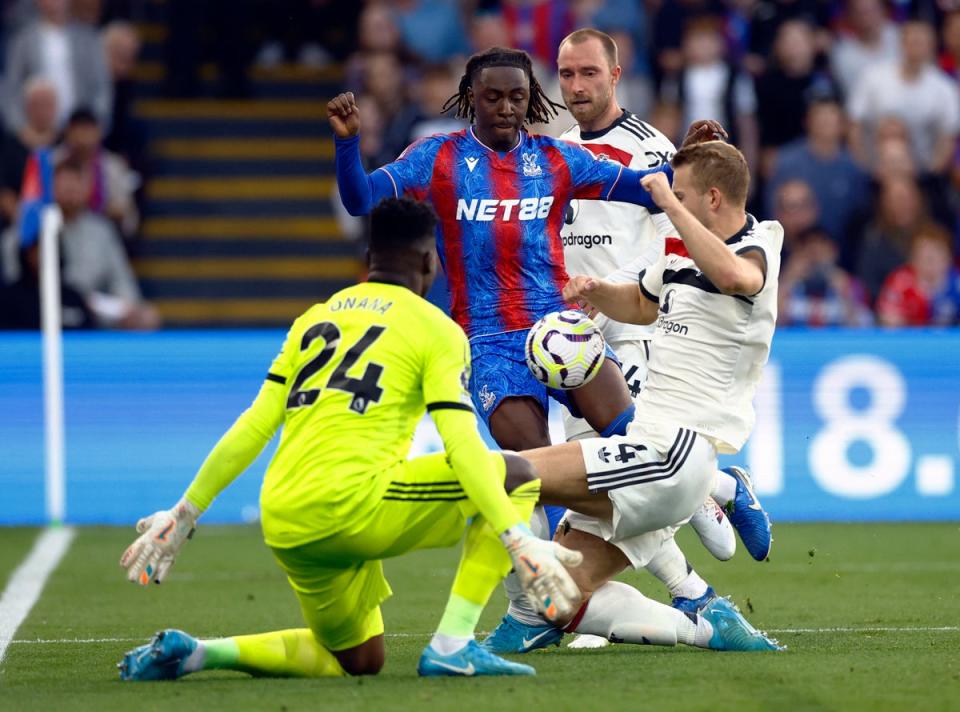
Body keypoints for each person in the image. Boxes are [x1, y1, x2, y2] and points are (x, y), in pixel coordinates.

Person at [117, 198, 583, 681]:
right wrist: (515, 535)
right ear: (430, 261)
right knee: (517, 473)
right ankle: (454, 644)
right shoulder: (436, 329)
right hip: (354, 504)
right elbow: (463, 443)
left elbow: (255, 424)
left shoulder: (315, 318)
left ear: (368, 259)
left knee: (358, 659)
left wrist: (184, 512)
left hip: (285, 518)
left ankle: (196, 653)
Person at [484, 28, 772, 655]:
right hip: (571, 331)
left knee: (615, 481)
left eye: (589, 72)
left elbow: (680, 238)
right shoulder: (555, 153)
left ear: (616, 76)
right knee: (606, 490)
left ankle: (702, 554)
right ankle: (715, 508)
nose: (577, 85)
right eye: (566, 74)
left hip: (632, 331)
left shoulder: (650, 150)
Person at [329, 47, 669, 476]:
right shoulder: (436, 158)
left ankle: (720, 492)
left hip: (559, 326)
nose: (507, 108)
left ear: (531, 97)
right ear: (472, 96)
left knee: (637, 443)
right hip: (489, 343)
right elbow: (360, 200)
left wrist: (698, 160)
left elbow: (647, 188)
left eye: (518, 97)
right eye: (494, 98)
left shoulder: (557, 158)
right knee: (539, 474)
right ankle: (562, 542)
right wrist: (347, 143)